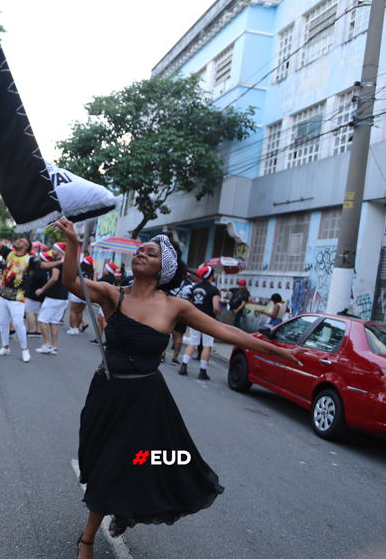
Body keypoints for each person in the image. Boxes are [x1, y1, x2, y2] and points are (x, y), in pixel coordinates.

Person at [52, 219, 300, 559]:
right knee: (96, 460)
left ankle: (87, 540)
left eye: (149, 253)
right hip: (107, 393)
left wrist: (275, 349)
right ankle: (122, 508)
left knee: (120, 462)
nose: (140, 253)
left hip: (145, 401)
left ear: (161, 269)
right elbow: (70, 282)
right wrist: (72, 244)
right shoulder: (113, 295)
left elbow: (225, 332)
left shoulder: (175, 307)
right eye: (140, 250)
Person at [0, 216, 60, 363]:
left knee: (19, 323)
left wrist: (59, 262)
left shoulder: (29, 260)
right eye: (18, 240)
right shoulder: (10, 254)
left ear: (26, 247)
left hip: (18, 298)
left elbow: (44, 266)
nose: (18, 241)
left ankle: (24, 350)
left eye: (22, 241)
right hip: (4, 295)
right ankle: (5, 347)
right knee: (4, 322)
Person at [178, 266, 221, 380]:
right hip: (209, 320)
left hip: (195, 319)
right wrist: (216, 317)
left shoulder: (195, 287)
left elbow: (191, 304)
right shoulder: (214, 290)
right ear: (210, 275)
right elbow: (216, 308)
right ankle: (202, 371)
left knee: (193, 342)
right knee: (207, 345)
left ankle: (184, 365)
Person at [35, 243, 70, 355]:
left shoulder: (57, 262)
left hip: (54, 296)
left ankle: (47, 345)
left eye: (54, 249)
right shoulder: (68, 263)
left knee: (42, 319)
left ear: (60, 252)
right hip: (63, 296)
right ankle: (54, 347)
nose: (52, 251)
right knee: (53, 322)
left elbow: (54, 278)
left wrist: (42, 289)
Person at [167, 276, 194, 365]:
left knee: (166, 333)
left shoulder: (172, 284)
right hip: (182, 314)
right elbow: (191, 302)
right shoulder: (189, 287)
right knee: (179, 336)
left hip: (170, 311)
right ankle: (175, 358)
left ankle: (162, 355)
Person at [24, 251, 51, 338]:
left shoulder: (40, 269)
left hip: (34, 292)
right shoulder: (49, 269)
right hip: (44, 293)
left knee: (30, 311)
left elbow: (33, 280)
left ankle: (31, 330)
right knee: (38, 312)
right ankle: (38, 331)